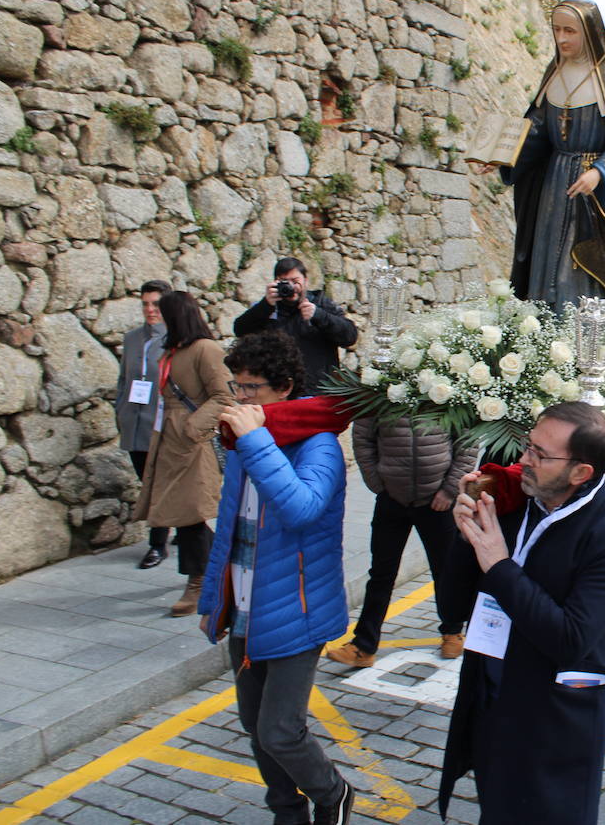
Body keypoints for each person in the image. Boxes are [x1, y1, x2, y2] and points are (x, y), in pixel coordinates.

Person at [438, 403, 605, 825]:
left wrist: (498, 564)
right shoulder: (514, 506)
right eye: (528, 446)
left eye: (539, 455)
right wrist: (465, 539)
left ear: (581, 473)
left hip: (553, 722)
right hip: (492, 697)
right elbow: (455, 607)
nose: (523, 461)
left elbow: (569, 640)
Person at [198, 331, 357, 825]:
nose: (240, 398)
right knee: (254, 724)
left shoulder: (319, 445)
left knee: (281, 730)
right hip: (246, 604)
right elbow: (232, 529)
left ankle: (333, 793)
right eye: (236, 387)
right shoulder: (247, 438)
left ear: (284, 388)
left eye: (251, 388)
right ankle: (288, 812)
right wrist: (214, 597)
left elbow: (302, 508)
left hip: (296, 608)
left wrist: (255, 439)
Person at [484, 0, 605, 310]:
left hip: (589, 193)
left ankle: (579, 334)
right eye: (556, 29)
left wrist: (600, 171)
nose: (561, 38)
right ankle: (542, 328)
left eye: (570, 30)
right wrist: (503, 154)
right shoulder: (554, 72)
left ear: (590, 32)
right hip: (554, 184)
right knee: (546, 258)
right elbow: (538, 129)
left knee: (576, 266)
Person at [326, 417, 479, 668]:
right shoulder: (380, 390)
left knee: (446, 571)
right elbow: (363, 438)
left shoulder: (447, 384)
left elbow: (467, 444)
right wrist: (378, 484)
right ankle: (363, 646)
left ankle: (452, 631)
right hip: (392, 500)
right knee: (381, 575)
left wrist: (449, 490)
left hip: (437, 502)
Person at [133, 291, 235, 616]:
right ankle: (213, 569)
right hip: (169, 441)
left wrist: (192, 427)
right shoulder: (176, 349)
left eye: (162, 312)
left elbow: (223, 395)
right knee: (182, 513)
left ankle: (199, 581)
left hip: (191, 444)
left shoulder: (205, 349)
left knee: (189, 515)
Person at [233, 257, 358, 390]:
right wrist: (265, 305)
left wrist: (319, 315)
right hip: (278, 391)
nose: (291, 287)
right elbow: (240, 330)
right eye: (284, 281)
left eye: (295, 281)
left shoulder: (321, 304)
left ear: (305, 281)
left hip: (318, 390)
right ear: (275, 283)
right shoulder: (267, 308)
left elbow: (350, 337)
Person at [115, 278, 172, 569]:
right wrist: (119, 408)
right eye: (146, 304)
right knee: (145, 480)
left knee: (157, 485)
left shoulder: (176, 340)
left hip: (159, 424)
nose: (150, 310)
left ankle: (157, 545)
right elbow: (124, 378)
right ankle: (186, 524)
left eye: (156, 304)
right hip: (133, 421)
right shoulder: (133, 338)